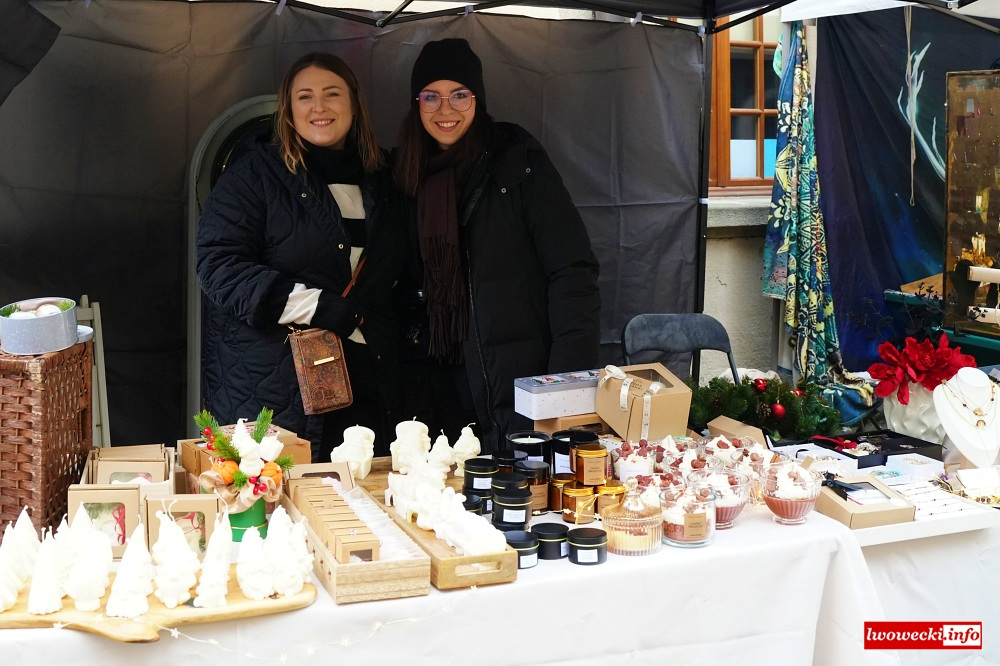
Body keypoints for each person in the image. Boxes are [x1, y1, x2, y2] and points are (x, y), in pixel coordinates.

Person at [394, 38, 601, 454]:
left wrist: (565, 384)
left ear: (478, 99)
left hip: (526, 385)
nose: (445, 109)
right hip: (449, 393)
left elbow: (572, 272)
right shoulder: (407, 176)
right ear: (417, 104)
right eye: (431, 96)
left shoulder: (518, 165)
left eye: (459, 95)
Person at [197, 52, 403, 462]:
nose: (319, 107)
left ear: (354, 103)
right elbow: (219, 266)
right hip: (275, 387)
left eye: (332, 94)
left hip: (368, 382)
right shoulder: (254, 176)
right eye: (305, 97)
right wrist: (315, 306)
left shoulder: (385, 179)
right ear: (288, 110)